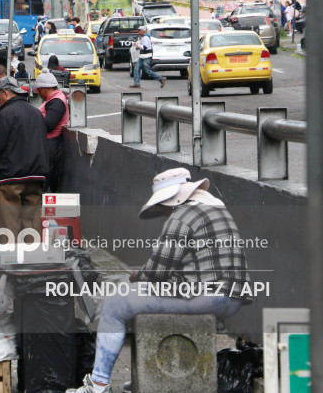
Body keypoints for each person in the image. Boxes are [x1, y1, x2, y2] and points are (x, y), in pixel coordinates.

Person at [67, 168, 251, 393]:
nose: (164, 212)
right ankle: (143, 375)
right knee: (134, 297)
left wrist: (137, 276)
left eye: (164, 205)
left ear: (175, 199)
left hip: (205, 295)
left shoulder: (182, 216)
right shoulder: (215, 207)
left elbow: (157, 272)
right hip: (233, 297)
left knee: (114, 306)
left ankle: (98, 385)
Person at [0, 77, 49, 246]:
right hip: (36, 176)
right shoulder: (36, 112)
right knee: (32, 225)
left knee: (8, 226)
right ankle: (31, 265)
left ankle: (10, 266)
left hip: (10, 178)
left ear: (5, 92)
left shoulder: (6, 113)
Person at [34, 71, 68, 193]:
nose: (39, 93)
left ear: (47, 88)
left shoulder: (57, 101)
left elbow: (49, 124)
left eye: (40, 90)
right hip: (48, 144)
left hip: (51, 145)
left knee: (46, 179)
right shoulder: (53, 99)